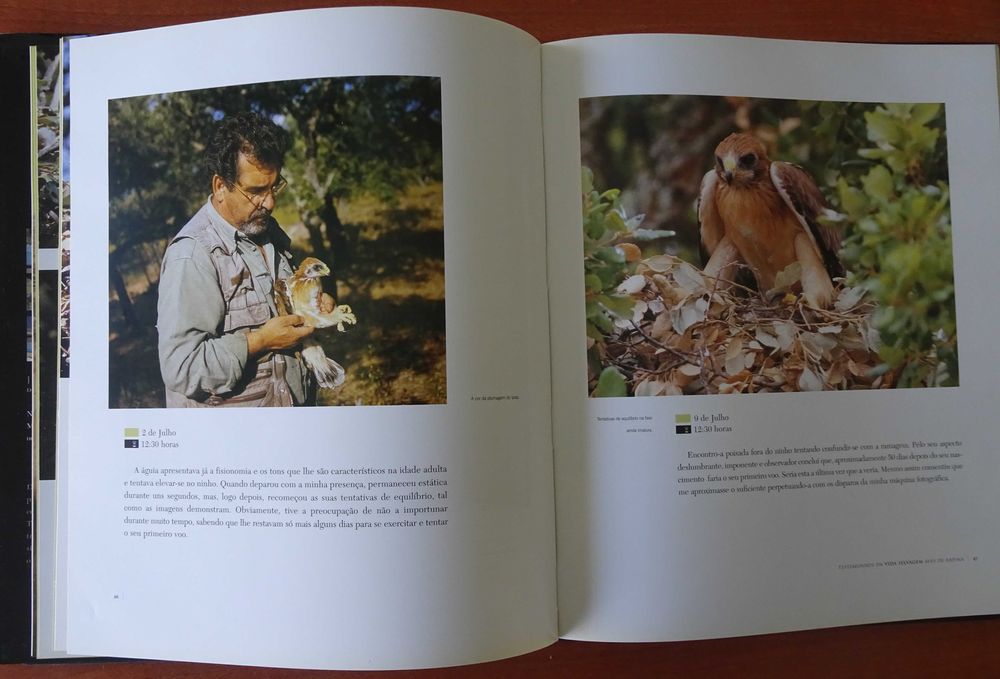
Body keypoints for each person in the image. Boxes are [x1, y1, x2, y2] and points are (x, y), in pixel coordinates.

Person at [157, 111, 331, 407]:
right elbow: (182, 368)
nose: (270, 202)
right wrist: (259, 341)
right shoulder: (192, 256)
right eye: (256, 191)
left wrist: (313, 307)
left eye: (274, 186)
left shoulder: (265, 229)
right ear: (220, 187)